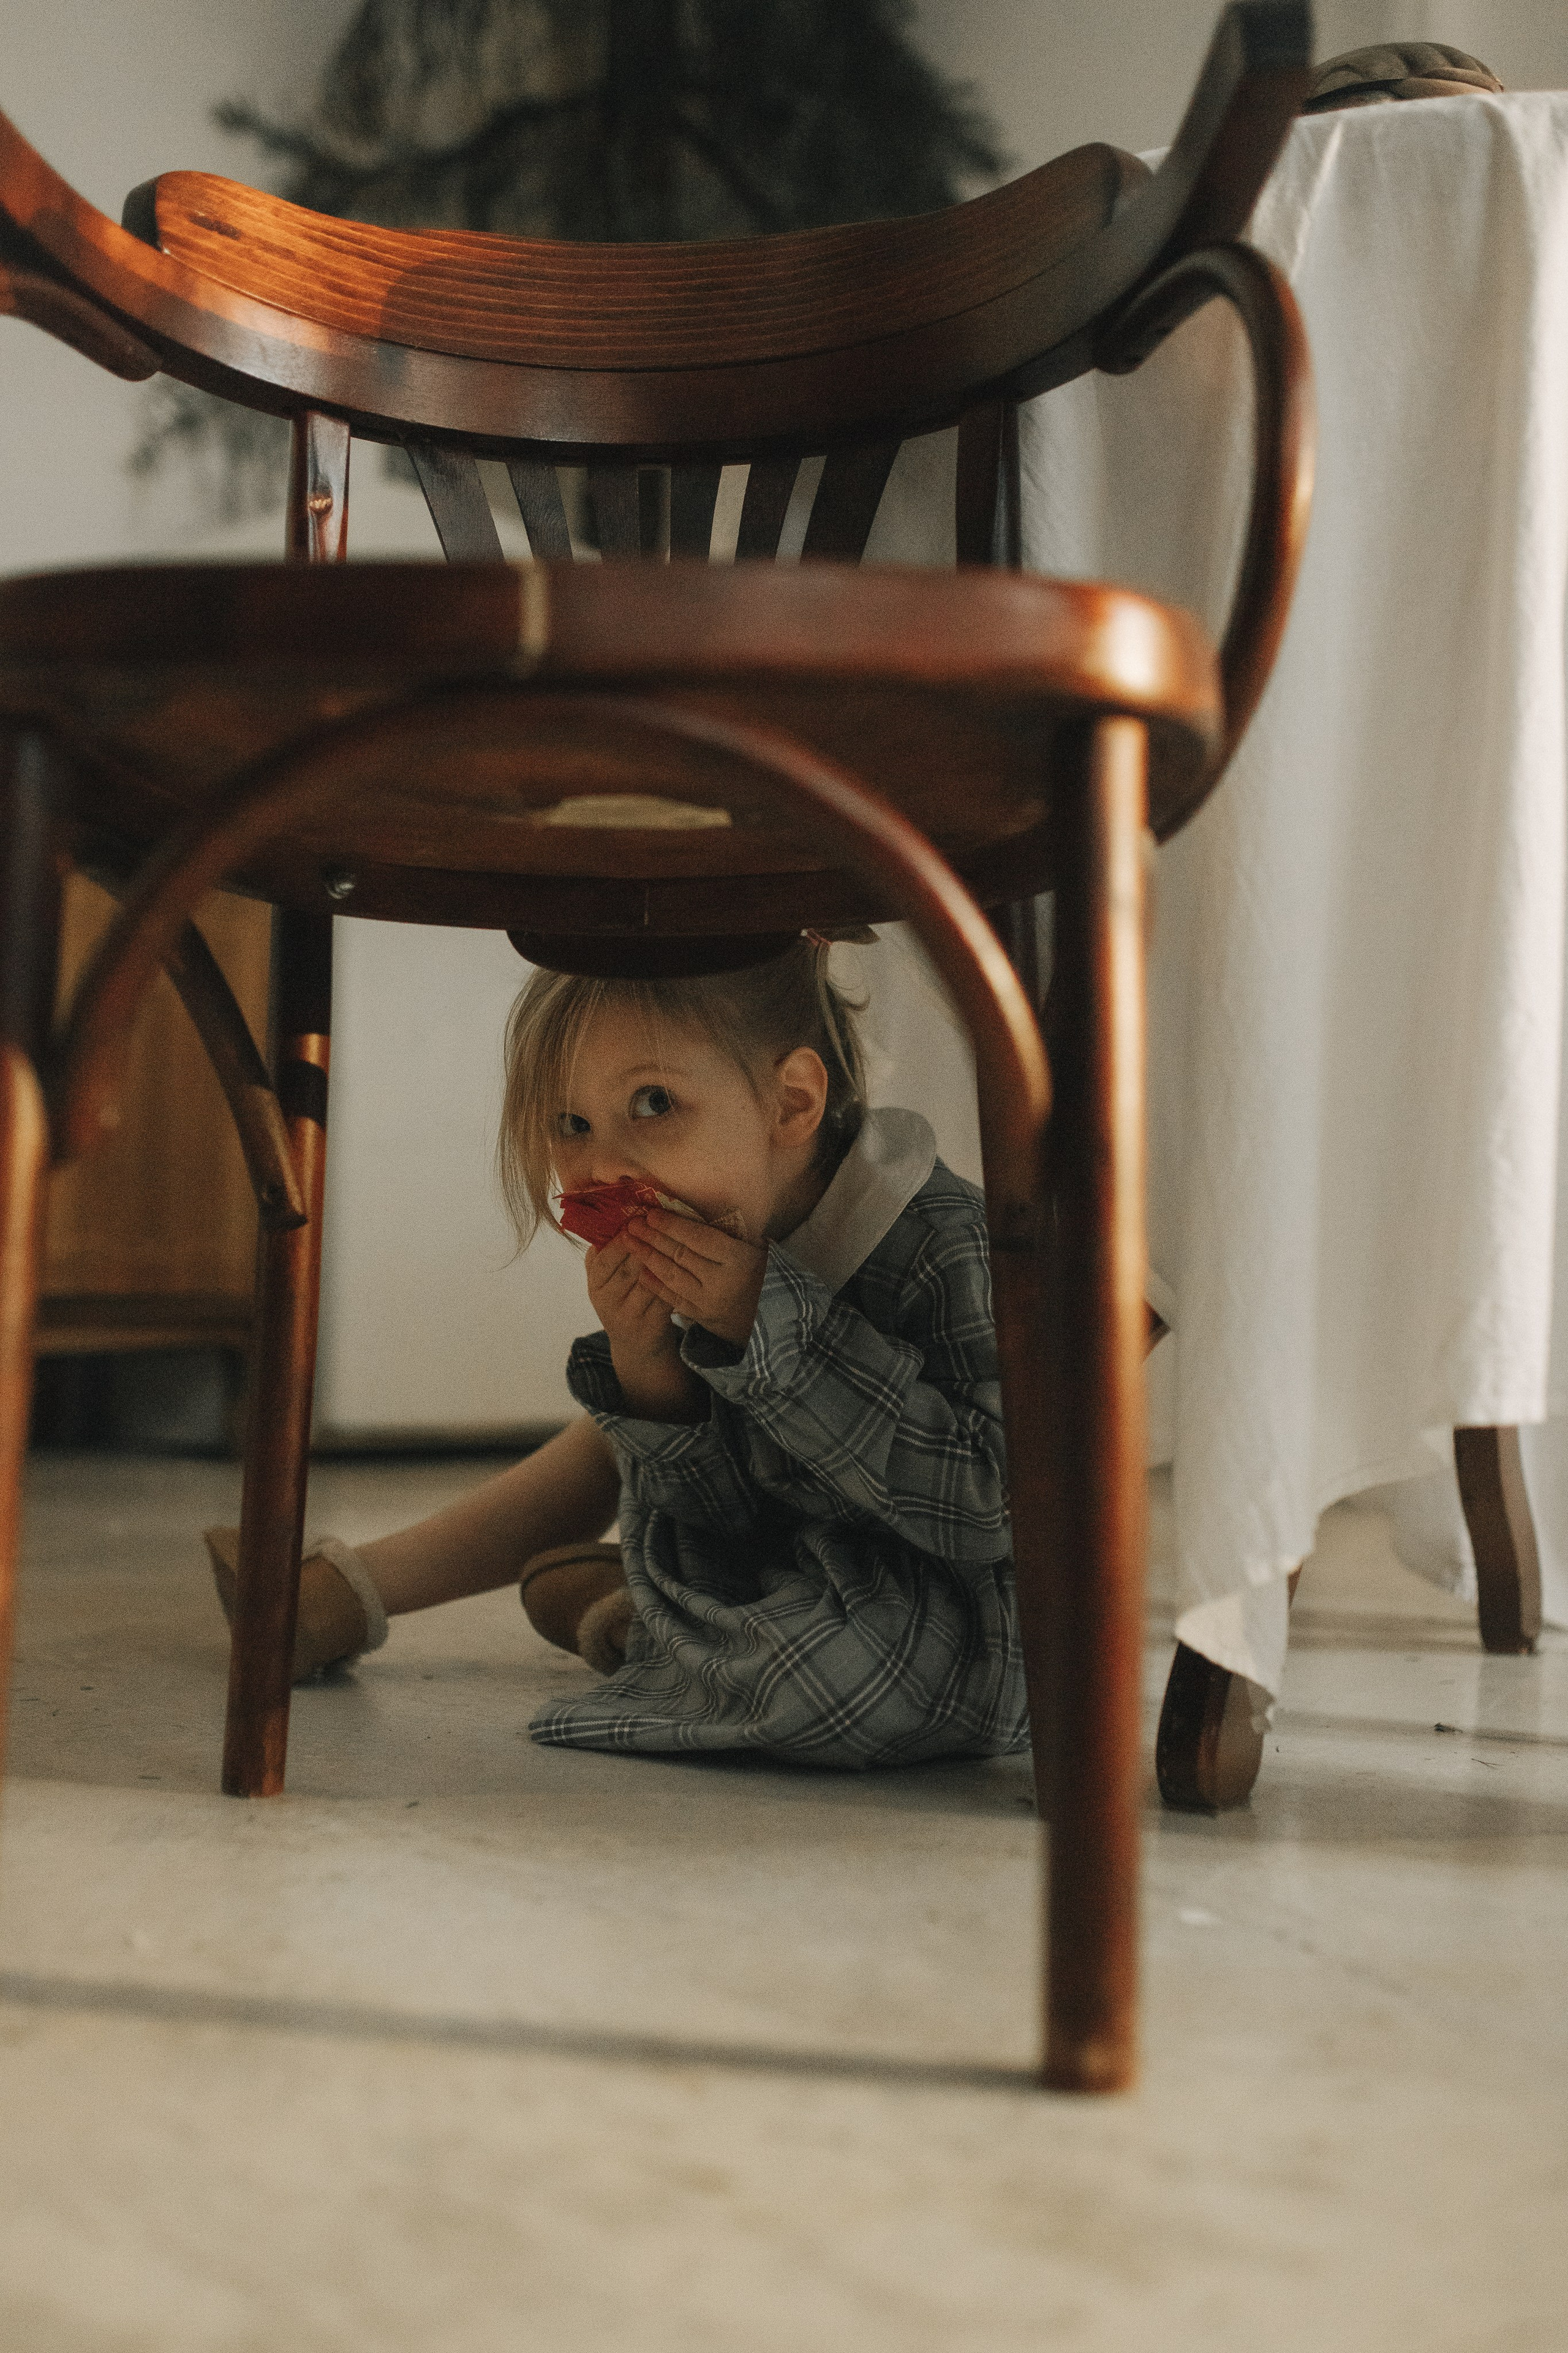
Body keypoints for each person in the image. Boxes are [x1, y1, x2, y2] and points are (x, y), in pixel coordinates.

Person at [206, 935, 1028, 1768]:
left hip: (935, 1597)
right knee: (613, 1444)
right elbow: (721, 1519)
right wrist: (649, 1373)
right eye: (571, 1124)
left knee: (835, 1677)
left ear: (790, 1104)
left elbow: (995, 1509)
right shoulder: (729, 1209)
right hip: (777, 1569)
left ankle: (631, 1620)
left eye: (652, 1104)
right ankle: (363, 1593)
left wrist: (774, 1324)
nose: (600, 1168)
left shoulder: (942, 1244)